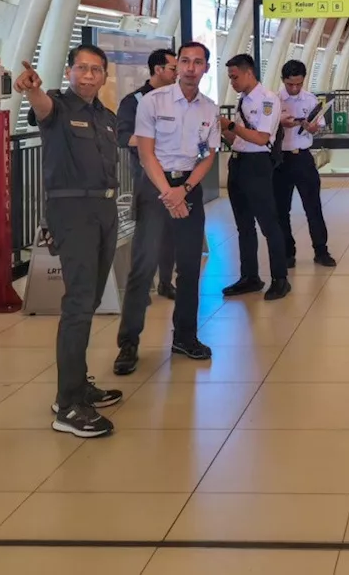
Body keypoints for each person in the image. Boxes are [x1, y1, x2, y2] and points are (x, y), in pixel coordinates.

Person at [16, 46, 123, 439]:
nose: (89, 76)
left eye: (96, 70)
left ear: (104, 75)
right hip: (73, 213)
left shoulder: (104, 116)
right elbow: (41, 106)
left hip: (105, 212)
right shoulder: (58, 107)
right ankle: (67, 405)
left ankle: (78, 386)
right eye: (82, 68)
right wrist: (30, 90)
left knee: (90, 300)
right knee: (78, 304)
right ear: (70, 71)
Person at [114, 42, 220, 374]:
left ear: (206, 68)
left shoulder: (210, 109)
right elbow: (145, 153)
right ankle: (128, 344)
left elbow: (208, 155)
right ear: (176, 68)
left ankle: (185, 337)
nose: (190, 67)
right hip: (155, 186)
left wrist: (184, 190)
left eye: (197, 62)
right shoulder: (152, 101)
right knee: (142, 268)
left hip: (188, 186)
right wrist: (168, 193)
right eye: (184, 61)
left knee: (189, 268)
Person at [221, 54, 291, 300]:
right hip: (238, 163)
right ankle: (249, 276)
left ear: (249, 73)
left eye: (235, 77)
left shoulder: (267, 100)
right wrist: (222, 130)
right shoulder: (242, 100)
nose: (232, 82)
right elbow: (238, 138)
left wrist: (231, 126)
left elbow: (261, 138)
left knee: (269, 224)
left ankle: (280, 278)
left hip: (257, 165)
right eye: (230, 78)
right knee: (243, 226)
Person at [115, 48, 179, 299]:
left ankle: (165, 281)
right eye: (174, 68)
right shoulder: (135, 102)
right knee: (147, 235)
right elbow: (122, 137)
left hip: (176, 175)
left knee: (171, 232)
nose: (178, 73)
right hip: (147, 178)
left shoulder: (179, 98)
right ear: (158, 70)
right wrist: (153, 141)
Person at [273, 60, 336, 268]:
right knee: (281, 209)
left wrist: (312, 128)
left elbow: (319, 126)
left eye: (298, 84)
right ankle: (287, 253)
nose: (294, 88)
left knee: (313, 206)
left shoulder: (310, 100)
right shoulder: (273, 100)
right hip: (279, 160)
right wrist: (280, 123)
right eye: (290, 84)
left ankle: (321, 250)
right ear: (283, 81)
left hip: (302, 158)